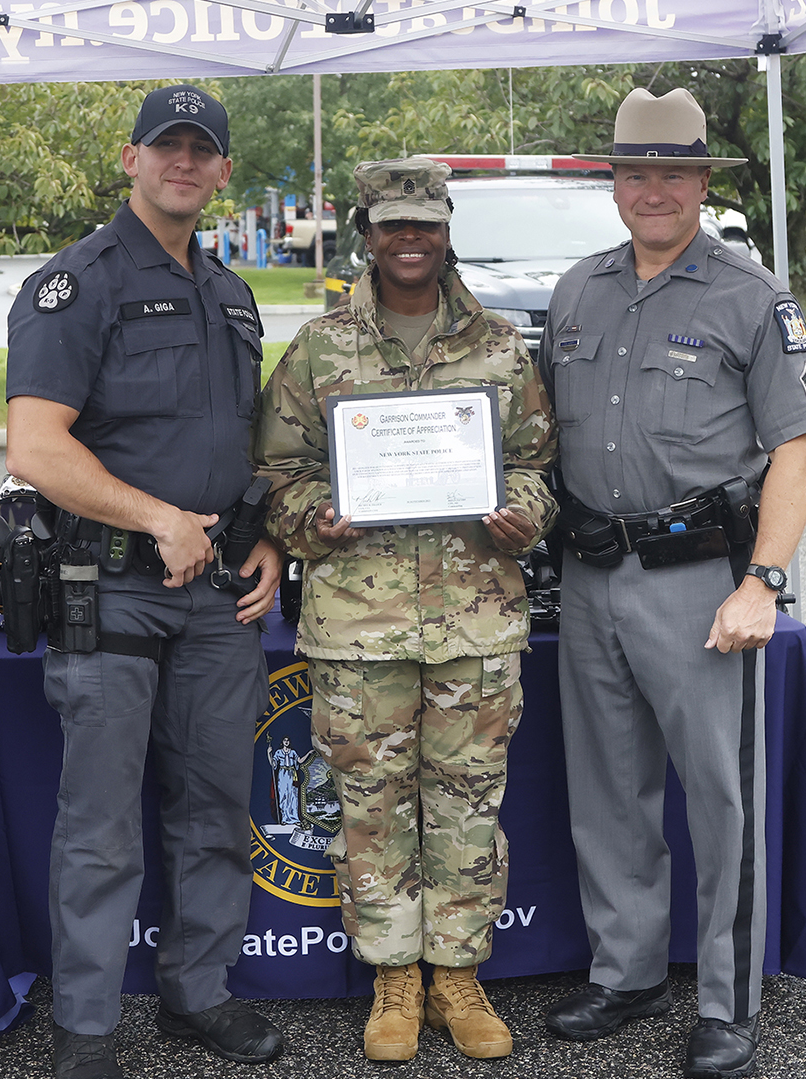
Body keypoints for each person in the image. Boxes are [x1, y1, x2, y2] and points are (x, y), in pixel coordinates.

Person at [537, 89, 806, 1079]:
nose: (653, 189)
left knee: (720, 797)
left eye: (673, 171)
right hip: (590, 576)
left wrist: (762, 580)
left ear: (704, 182)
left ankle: (725, 1000)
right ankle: (624, 973)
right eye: (635, 171)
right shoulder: (577, 290)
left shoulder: (753, 296)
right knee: (608, 791)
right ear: (612, 181)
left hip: (700, 581)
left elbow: (796, 447)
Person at [4, 84, 286, 1079]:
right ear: (130, 160)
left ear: (220, 172)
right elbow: (36, 446)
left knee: (216, 804)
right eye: (165, 146)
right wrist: (158, 517)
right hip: (112, 587)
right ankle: (86, 1029)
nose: (183, 162)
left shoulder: (233, 293)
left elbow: (244, 444)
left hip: (216, 595)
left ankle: (197, 993)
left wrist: (270, 539)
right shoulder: (75, 284)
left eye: (200, 149)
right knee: (100, 825)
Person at [253, 158, 557, 1064]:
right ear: (367, 232)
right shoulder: (319, 347)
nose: (411, 240)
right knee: (370, 805)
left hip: (475, 617)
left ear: (447, 228)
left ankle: (457, 974)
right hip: (360, 624)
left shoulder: (502, 345)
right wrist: (315, 516)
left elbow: (539, 464)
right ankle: (393, 976)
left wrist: (523, 514)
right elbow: (278, 470)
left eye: (426, 223)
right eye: (394, 225)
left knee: (467, 803)